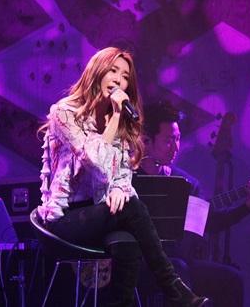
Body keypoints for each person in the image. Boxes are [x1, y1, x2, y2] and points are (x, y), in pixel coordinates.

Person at [37, 47, 209, 307]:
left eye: (125, 76)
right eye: (113, 71)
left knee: (127, 243)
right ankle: (174, 289)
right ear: (97, 72)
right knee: (132, 207)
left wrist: (119, 188)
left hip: (103, 213)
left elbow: (122, 173)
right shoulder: (65, 113)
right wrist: (116, 116)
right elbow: (93, 160)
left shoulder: (121, 123)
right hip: (66, 220)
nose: (118, 79)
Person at [136, 100, 250, 307]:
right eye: (169, 140)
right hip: (138, 263)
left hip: (177, 261)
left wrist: (247, 206)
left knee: (231, 279)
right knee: (177, 268)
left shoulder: (186, 183)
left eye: (178, 139)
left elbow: (210, 222)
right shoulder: (126, 180)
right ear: (146, 141)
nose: (176, 147)